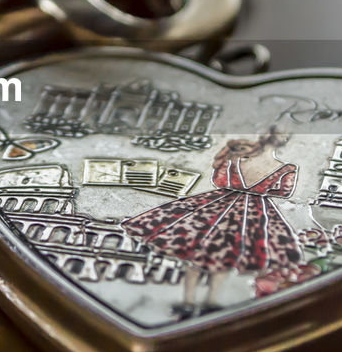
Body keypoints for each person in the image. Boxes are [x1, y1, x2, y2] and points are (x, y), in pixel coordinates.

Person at [120, 126, 316, 318]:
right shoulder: (282, 168)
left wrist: (238, 180)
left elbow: (221, 181)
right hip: (249, 211)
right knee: (221, 256)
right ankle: (207, 302)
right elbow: (283, 192)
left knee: (202, 252)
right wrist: (257, 190)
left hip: (222, 204)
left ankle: (195, 302)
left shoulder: (238, 160)